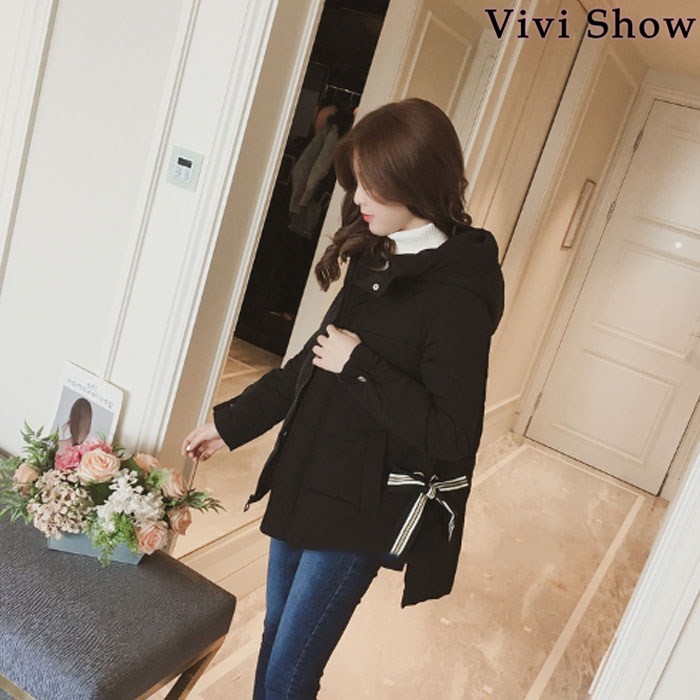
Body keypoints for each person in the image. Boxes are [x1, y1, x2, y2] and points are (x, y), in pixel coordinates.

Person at [182, 98, 505, 700]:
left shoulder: (456, 296)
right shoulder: (378, 252)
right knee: (276, 637)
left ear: (416, 182)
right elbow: (315, 358)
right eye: (355, 182)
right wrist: (231, 424)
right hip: (307, 475)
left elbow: (453, 434)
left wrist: (359, 366)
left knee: (290, 672)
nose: (357, 199)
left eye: (371, 186)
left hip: (360, 510)